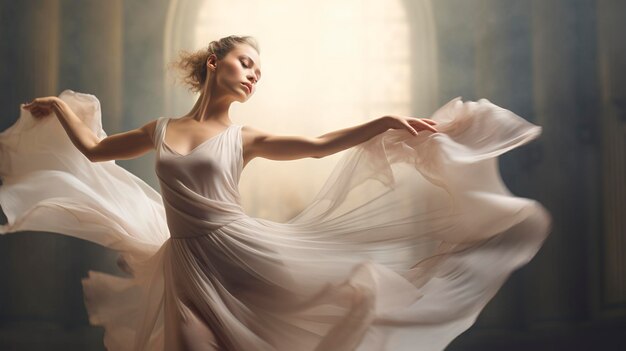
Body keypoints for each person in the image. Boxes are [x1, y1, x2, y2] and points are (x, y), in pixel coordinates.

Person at [1, 35, 551, 351]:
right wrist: (61, 110)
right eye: (246, 62)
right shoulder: (159, 129)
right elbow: (96, 150)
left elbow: (316, 146)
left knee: (344, 304)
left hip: (241, 258)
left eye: (259, 72)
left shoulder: (246, 138)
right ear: (214, 61)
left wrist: (380, 122)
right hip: (185, 267)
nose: (252, 75)